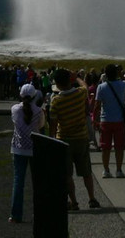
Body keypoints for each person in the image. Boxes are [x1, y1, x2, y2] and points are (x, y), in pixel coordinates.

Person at [49, 68, 100, 210]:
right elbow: (84, 85)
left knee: (67, 174)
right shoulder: (80, 93)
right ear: (69, 80)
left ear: (57, 85)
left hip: (64, 139)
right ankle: (92, 198)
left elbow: (53, 126)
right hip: (81, 138)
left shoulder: (56, 101)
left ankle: (74, 202)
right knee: (86, 172)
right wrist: (76, 77)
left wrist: (52, 141)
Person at [10, 83, 45, 224]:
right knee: (37, 182)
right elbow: (41, 126)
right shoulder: (39, 111)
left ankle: (16, 214)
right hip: (34, 147)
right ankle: (38, 213)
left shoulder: (15, 109)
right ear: (34, 96)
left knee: (18, 181)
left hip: (18, 148)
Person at [94, 63, 125, 179]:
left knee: (105, 147)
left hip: (105, 120)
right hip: (119, 120)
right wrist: (121, 75)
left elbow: (97, 105)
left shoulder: (101, 87)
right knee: (119, 147)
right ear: (116, 73)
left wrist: (95, 120)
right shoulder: (123, 85)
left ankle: (106, 170)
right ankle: (119, 170)